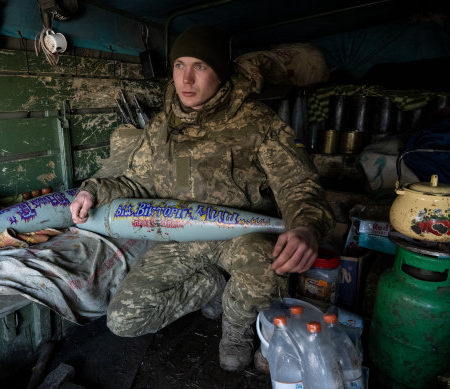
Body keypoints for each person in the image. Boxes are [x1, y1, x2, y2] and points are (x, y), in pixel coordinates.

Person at [70, 24, 335, 372]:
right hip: (182, 237)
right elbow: (134, 181)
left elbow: (298, 184)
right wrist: (94, 190)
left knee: (266, 269)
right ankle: (212, 285)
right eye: (180, 65)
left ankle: (236, 326)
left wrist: (305, 226)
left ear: (221, 74)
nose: (187, 79)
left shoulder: (257, 123)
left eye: (200, 66)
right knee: (123, 320)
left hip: (241, 236)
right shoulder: (160, 127)